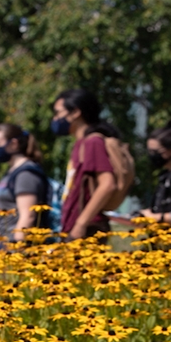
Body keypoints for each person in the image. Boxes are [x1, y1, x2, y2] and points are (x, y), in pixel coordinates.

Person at [50, 89, 119, 239]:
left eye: (58, 113)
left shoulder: (93, 143)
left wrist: (81, 224)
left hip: (87, 229)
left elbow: (107, 184)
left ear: (75, 113)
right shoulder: (80, 144)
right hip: (74, 226)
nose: (55, 119)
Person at [0, 123, 50, 250]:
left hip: (18, 246)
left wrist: (16, 249)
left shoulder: (26, 174)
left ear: (14, 144)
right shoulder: (12, 172)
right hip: (5, 242)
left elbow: (28, 216)